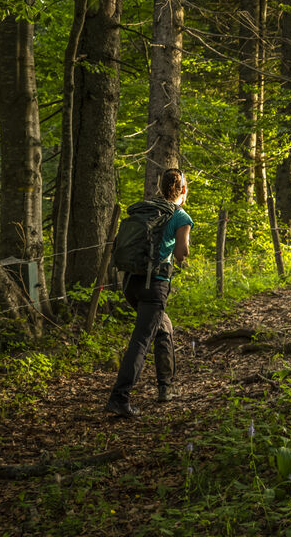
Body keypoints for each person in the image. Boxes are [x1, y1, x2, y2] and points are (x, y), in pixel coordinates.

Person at [106, 168, 193, 417]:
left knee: (163, 327)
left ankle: (165, 387)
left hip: (130, 283)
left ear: (160, 187)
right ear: (183, 190)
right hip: (154, 285)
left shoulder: (146, 209)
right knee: (141, 340)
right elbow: (181, 254)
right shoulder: (180, 216)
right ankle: (119, 398)